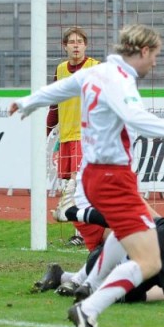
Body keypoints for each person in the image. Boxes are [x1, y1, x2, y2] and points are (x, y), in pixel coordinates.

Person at [9, 23, 164, 327]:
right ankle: (89, 305)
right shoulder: (119, 79)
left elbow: (61, 89)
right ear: (142, 51)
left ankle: (88, 284)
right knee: (149, 262)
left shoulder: (97, 72)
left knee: (126, 236)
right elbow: (137, 117)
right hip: (113, 179)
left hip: (98, 175)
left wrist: (28, 102)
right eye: (154, 55)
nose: (155, 63)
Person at [37, 194, 164, 308]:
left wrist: (73, 212)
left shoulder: (163, 225)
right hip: (111, 276)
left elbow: (125, 212)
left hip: (104, 261)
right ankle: (83, 285)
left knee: (130, 223)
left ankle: (65, 277)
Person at [46, 26, 100, 246]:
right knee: (70, 184)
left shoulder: (95, 67)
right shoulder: (60, 70)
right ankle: (84, 230)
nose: (76, 45)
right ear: (65, 46)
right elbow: (54, 105)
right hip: (66, 136)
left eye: (80, 41)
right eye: (72, 42)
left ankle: (82, 234)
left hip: (86, 136)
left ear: (85, 45)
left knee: (79, 187)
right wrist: (47, 131)